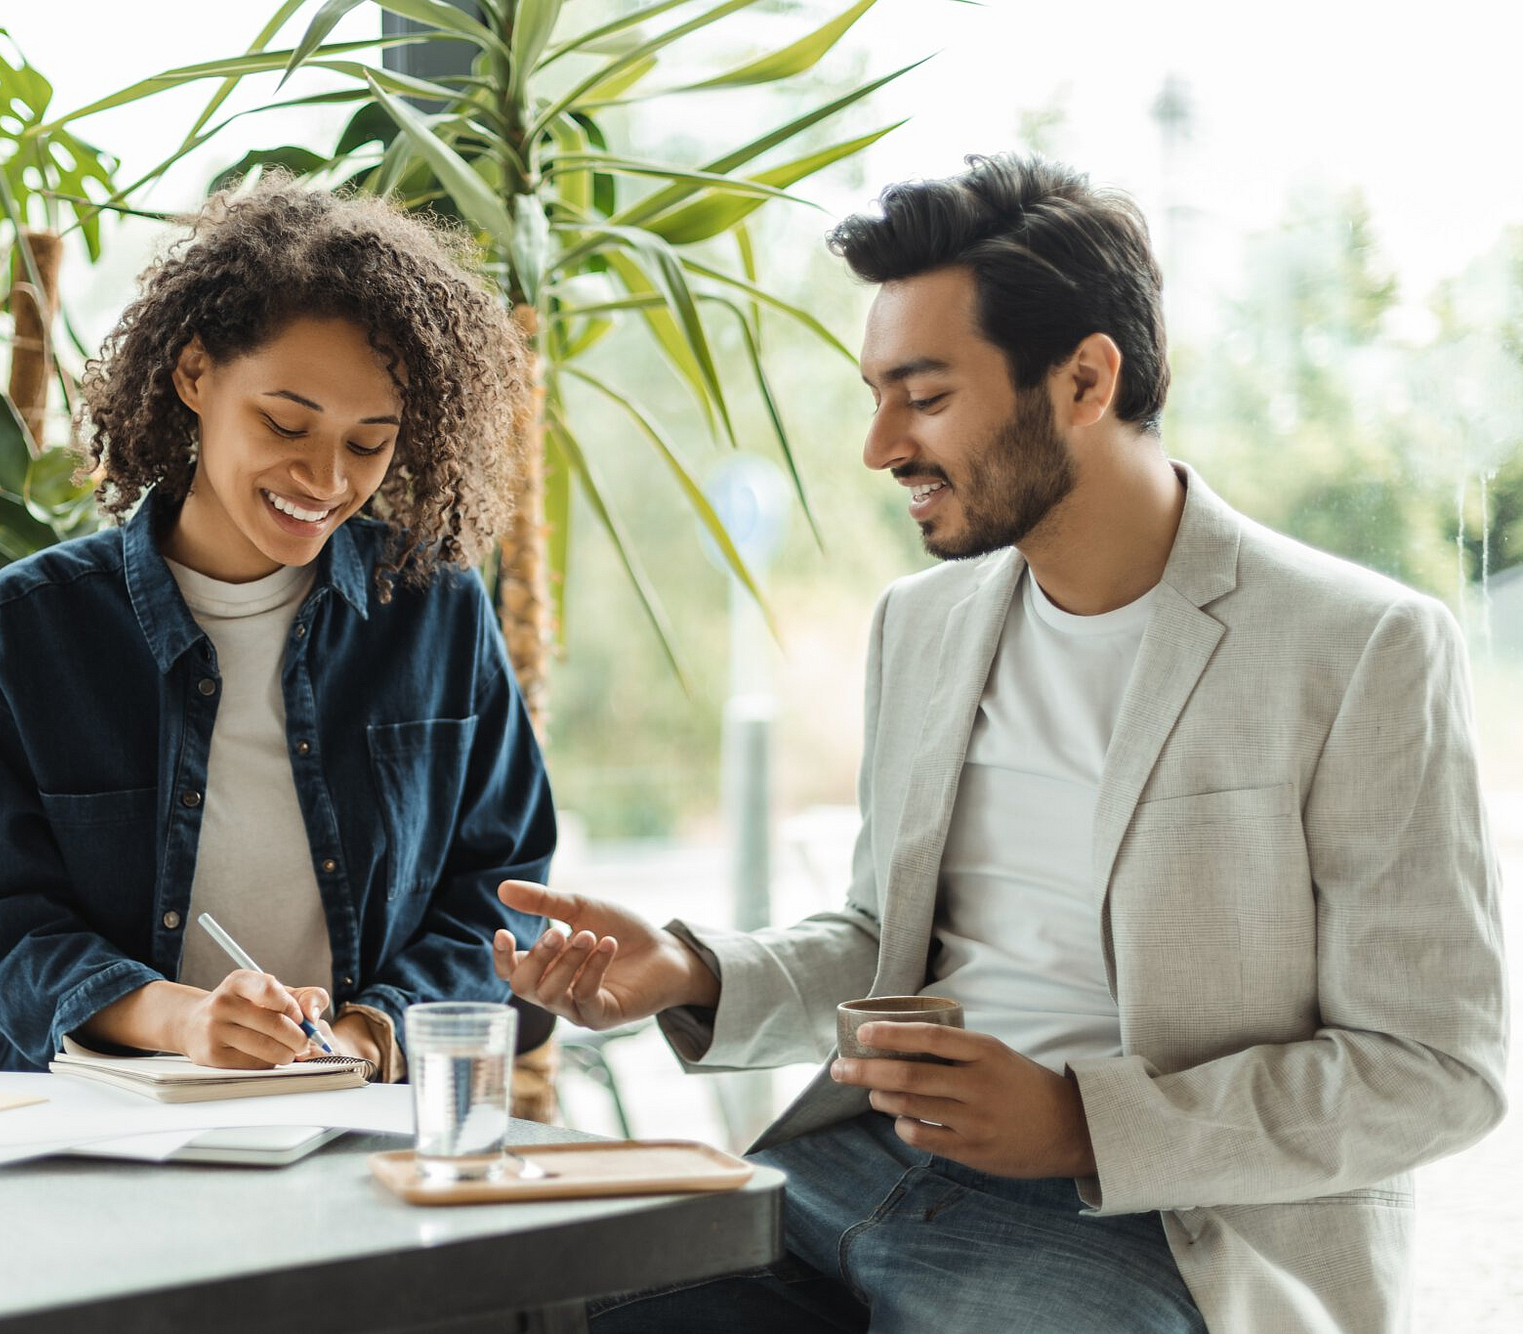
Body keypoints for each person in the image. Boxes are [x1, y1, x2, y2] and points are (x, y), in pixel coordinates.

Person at [492, 154, 1506, 1333]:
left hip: (1150, 1233)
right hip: (858, 1172)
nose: (878, 446)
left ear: (1083, 379)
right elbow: (883, 939)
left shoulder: (1358, 646)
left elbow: (1434, 1068)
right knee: (549, 1302)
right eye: (875, 394)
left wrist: (1083, 1120)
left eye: (922, 397)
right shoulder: (921, 623)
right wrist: (691, 970)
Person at [0, 177, 555, 1083]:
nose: (325, 478)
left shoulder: (435, 611)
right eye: (285, 422)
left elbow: (497, 887)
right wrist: (183, 1023)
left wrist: (373, 1033)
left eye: (368, 442)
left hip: (351, 1125)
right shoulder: (29, 632)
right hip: (97, 1140)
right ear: (193, 375)